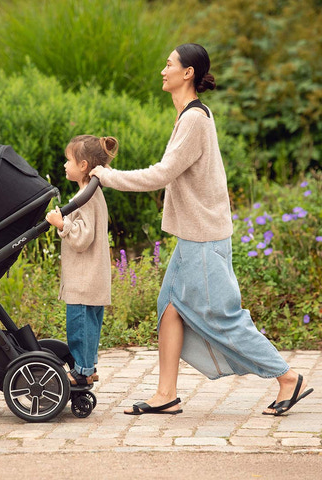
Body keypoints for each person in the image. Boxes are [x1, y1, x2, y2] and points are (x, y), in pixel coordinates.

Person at [90, 43, 313, 416]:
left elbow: (162, 174)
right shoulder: (188, 115)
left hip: (204, 239)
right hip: (195, 237)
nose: (163, 71)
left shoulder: (194, 119)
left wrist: (107, 176)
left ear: (187, 72)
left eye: (169, 64)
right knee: (169, 308)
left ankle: (288, 377)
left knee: (221, 317)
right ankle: (166, 394)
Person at [46, 135, 117, 386]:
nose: (65, 165)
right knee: (89, 327)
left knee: (80, 328)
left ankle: (82, 372)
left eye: (69, 160)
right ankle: (88, 367)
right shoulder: (90, 193)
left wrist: (61, 223)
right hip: (90, 278)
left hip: (85, 280)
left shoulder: (87, 198)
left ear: (83, 165)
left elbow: (82, 238)